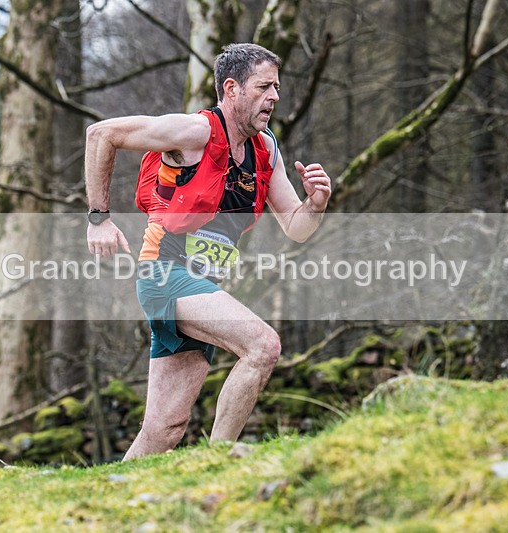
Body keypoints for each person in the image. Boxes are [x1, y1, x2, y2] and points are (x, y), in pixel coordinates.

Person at [85, 43, 331, 460]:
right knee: (263, 346)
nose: (274, 97)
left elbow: (297, 227)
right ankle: (219, 461)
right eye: (264, 87)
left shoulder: (265, 150)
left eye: (277, 88)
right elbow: (101, 133)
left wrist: (317, 204)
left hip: (200, 285)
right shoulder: (195, 132)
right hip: (164, 273)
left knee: (164, 430)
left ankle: (107, 500)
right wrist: (99, 219)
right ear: (231, 88)